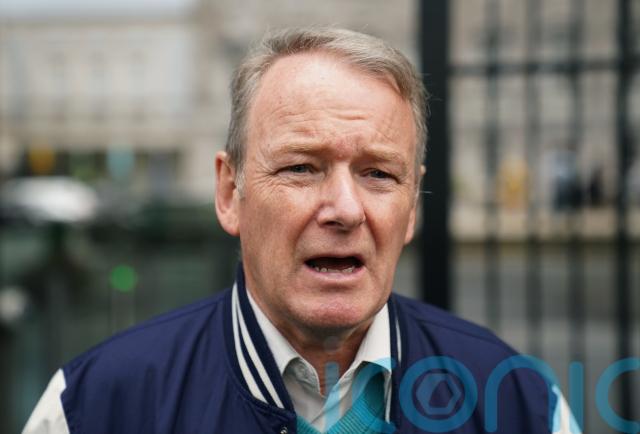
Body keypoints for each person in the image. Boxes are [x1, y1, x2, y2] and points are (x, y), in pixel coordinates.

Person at [24, 27, 577, 433]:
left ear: (412, 207)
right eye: (301, 168)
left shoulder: (520, 402)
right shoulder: (95, 406)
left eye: (378, 174)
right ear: (230, 193)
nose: (345, 209)